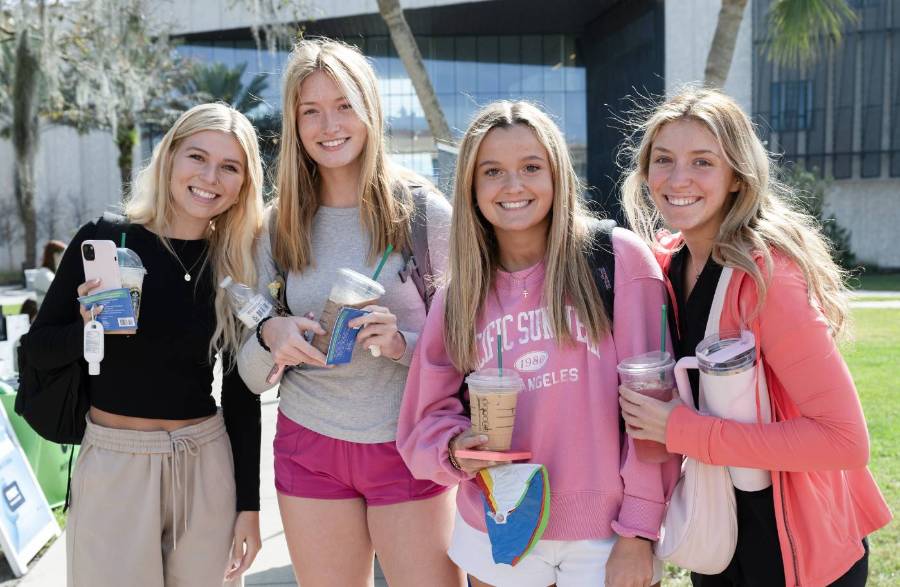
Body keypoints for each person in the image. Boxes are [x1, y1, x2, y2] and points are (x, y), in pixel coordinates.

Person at [618, 87, 892, 586]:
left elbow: (844, 440)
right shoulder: (665, 264)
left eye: (702, 161)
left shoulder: (767, 276)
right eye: (664, 160)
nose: (678, 179)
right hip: (718, 535)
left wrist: (681, 430)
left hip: (798, 552)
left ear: (737, 178)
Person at [397, 100, 678, 587]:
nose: (513, 186)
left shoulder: (616, 262)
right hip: (498, 525)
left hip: (606, 535)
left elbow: (656, 413)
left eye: (531, 167)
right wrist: (453, 449)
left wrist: (638, 531)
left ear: (557, 176)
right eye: (493, 171)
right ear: (471, 186)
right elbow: (426, 415)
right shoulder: (460, 293)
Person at [235, 39, 460, 587]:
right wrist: (270, 336)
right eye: (310, 111)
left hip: (407, 443)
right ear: (293, 124)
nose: (328, 124)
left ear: (369, 110)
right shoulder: (276, 226)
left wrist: (405, 342)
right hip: (309, 445)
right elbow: (246, 373)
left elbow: (473, 346)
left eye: (342, 105)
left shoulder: (423, 212)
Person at [25, 103, 265, 586]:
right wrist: (88, 327)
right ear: (170, 156)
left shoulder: (236, 263)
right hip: (116, 464)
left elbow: (242, 395)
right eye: (197, 157)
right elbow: (35, 352)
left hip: (204, 467)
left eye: (229, 167)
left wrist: (248, 506)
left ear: (243, 183)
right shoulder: (107, 241)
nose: (210, 176)